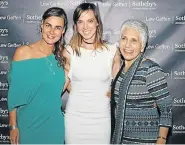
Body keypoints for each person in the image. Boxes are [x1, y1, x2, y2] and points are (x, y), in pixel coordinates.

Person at [7, 7, 68, 144]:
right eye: (48, 26)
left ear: (63, 31)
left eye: (58, 27)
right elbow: (13, 96)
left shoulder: (63, 57)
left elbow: (63, 88)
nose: (52, 32)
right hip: (28, 126)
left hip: (55, 127)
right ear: (41, 25)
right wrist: (13, 126)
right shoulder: (24, 53)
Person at [63, 2, 121, 144]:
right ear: (75, 26)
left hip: (102, 120)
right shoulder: (69, 51)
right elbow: (61, 86)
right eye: (80, 22)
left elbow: (121, 86)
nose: (85, 27)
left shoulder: (112, 51)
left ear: (97, 23)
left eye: (90, 21)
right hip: (74, 120)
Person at [111, 19, 172, 144]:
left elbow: (166, 109)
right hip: (122, 141)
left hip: (146, 141)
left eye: (134, 40)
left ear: (142, 46)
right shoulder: (120, 71)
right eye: (124, 38)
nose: (127, 45)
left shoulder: (150, 69)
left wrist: (161, 140)